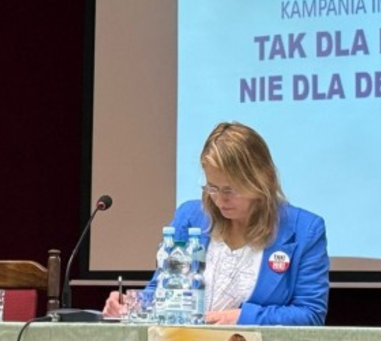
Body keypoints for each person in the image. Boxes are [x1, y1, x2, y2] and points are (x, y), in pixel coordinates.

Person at [104, 122, 328, 326]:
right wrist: (133, 304)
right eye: (212, 188)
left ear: (262, 179)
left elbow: (310, 315)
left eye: (230, 190)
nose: (220, 200)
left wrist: (242, 317)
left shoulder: (304, 230)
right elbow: (163, 289)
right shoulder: (190, 216)